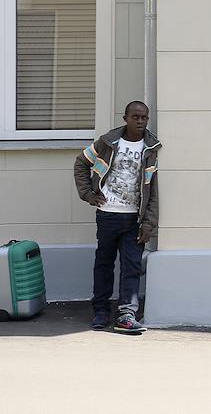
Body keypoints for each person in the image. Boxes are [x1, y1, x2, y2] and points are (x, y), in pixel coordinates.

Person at [73, 101, 161, 334]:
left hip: (135, 219)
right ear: (125, 118)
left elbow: (153, 190)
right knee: (104, 263)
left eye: (144, 118)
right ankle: (101, 312)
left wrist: (149, 223)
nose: (140, 121)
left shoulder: (151, 148)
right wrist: (88, 194)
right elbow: (81, 162)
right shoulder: (108, 142)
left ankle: (126, 314)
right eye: (135, 117)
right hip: (108, 215)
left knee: (132, 266)